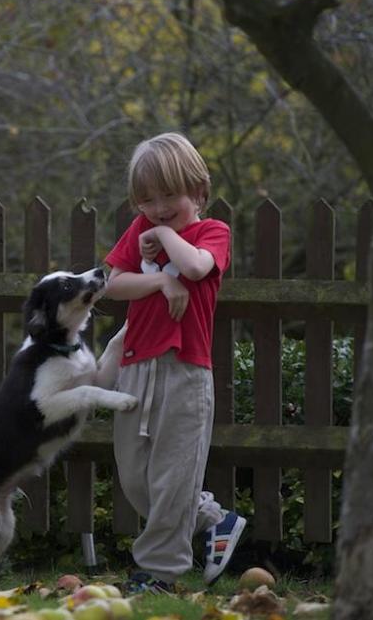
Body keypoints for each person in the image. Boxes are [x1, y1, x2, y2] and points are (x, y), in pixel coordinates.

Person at [101, 132, 246, 593]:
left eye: (169, 197)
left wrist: (163, 234)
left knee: (173, 473)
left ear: (199, 192)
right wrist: (161, 284)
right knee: (136, 477)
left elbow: (197, 267)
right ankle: (214, 519)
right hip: (135, 366)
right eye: (147, 200)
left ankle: (159, 572)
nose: (159, 208)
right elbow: (113, 284)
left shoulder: (211, 231)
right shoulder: (135, 234)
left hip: (185, 369)